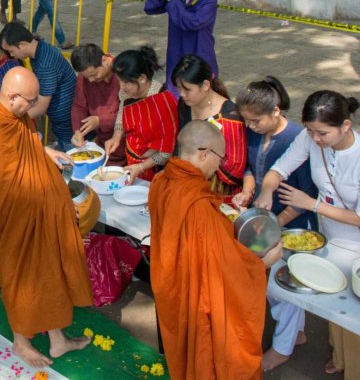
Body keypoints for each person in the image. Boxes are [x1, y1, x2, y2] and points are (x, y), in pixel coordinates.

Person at [0, 67, 92, 367]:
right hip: (16, 221)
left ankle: (58, 341)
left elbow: (28, 142)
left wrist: (46, 154)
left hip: (37, 217)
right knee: (21, 278)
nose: (34, 105)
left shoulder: (14, 115)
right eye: (30, 100)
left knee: (47, 275)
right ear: (11, 97)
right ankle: (21, 342)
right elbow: (5, 187)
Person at [150, 120, 281, 380]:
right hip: (198, 297)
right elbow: (225, 269)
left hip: (173, 286)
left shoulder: (160, 180)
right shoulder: (197, 205)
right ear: (203, 153)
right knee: (208, 358)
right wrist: (264, 262)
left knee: (186, 352)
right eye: (219, 158)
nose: (219, 166)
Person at [255, 90, 360, 377]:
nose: (315, 139)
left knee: (350, 314)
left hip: (355, 245)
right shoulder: (310, 138)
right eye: (311, 131)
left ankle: (350, 363)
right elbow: (279, 170)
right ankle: (338, 356)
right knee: (318, 300)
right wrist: (267, 190)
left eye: (322, 134)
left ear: (345, 127)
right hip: (326, 238)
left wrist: (311, 204)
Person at [232, 77, 314, 372]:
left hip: (294, 225)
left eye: (256, 121)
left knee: (282, 286)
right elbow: (252, 168)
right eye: (247, 121)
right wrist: (248, 191)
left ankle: (282, 348)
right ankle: (296, 334)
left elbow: (307, 195)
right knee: (281, 283)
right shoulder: (254, 132)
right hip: (267, 222)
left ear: (276, 111)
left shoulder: (297, 139)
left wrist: (275, 224)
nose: (251, 127)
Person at [143, 0, 218, 95]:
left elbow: (192, 23)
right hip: (176, 56)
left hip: (199, 56)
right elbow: (149, 8)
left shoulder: (209, 0)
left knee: (201, 98)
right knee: (176, 98)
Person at [171, 54, 247, 198]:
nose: (181, 94)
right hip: (187, 187)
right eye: (179, 89)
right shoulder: (185, 105)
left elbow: (235, 170)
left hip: (220, 196)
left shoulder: (231, 117)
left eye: (187, 90)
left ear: (205, 85)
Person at [0, 22, 77, 150]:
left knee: (69, 158)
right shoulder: (40, 49)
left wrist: (11, 122)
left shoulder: (45, 64)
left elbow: (41, 106)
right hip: (60, 120)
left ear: (22, 45)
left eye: (11, 51)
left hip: (67, 125)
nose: (11, 56)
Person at [110, 46, 178, 182]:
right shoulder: (126, 93)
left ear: (142, 78)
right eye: (119, 81)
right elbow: (121, 114)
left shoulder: (163, 101)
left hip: (155, 169)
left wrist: (141, 166)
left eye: (126, 82)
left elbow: (166, 151)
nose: (121, 86)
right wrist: (116, 135)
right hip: (133, 163)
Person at [69, 43, 121, 154]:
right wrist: (78, 131)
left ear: (105, 60)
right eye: (87, 77)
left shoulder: (123, 73)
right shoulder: (84, 77)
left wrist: (100, 120)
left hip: (126, 143)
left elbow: (130, 112)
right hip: (102, 143)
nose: (91, 80)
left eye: (94, 74)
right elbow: (79, 105)